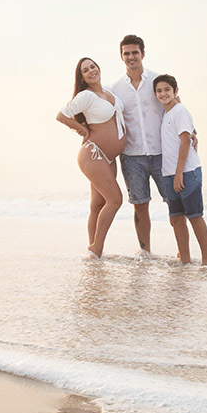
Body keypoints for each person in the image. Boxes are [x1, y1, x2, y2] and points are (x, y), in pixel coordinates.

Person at [55, 57, 126, 258]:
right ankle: (97, 249)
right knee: (115, 200)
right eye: (85, 70)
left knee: (97, 205)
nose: (91, 71)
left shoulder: (109, 92)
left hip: (108, 158)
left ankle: (92, 252)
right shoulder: (86, 96)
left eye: (93, 66)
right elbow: (61, 115)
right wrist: (81, 128)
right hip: (93, 153)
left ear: (99, 68)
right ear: (82, 77)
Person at [107, 34, 167, 254]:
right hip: (132, 156)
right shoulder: (114, 89)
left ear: (143, 53)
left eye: (135, 52)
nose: (131, 57)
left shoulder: (158, 80)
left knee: (175, 204)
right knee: (140, 206)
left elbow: (175, 106)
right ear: (121, 56)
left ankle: (183, 253)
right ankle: (145, 252)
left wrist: (192, 132)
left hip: (162, 152)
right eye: (127, 53)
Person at [153, 74, 207, 265]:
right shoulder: (166, 114)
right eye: (159, 91)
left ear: (175, 91)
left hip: (187, 172)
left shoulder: (180, 111)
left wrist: (179, 173)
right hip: (169, 173)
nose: (163, 94)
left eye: (167, 90)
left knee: (194, 216)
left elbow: (185, 140)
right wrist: (172, 174)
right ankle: (185, 261)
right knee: (176, 219)